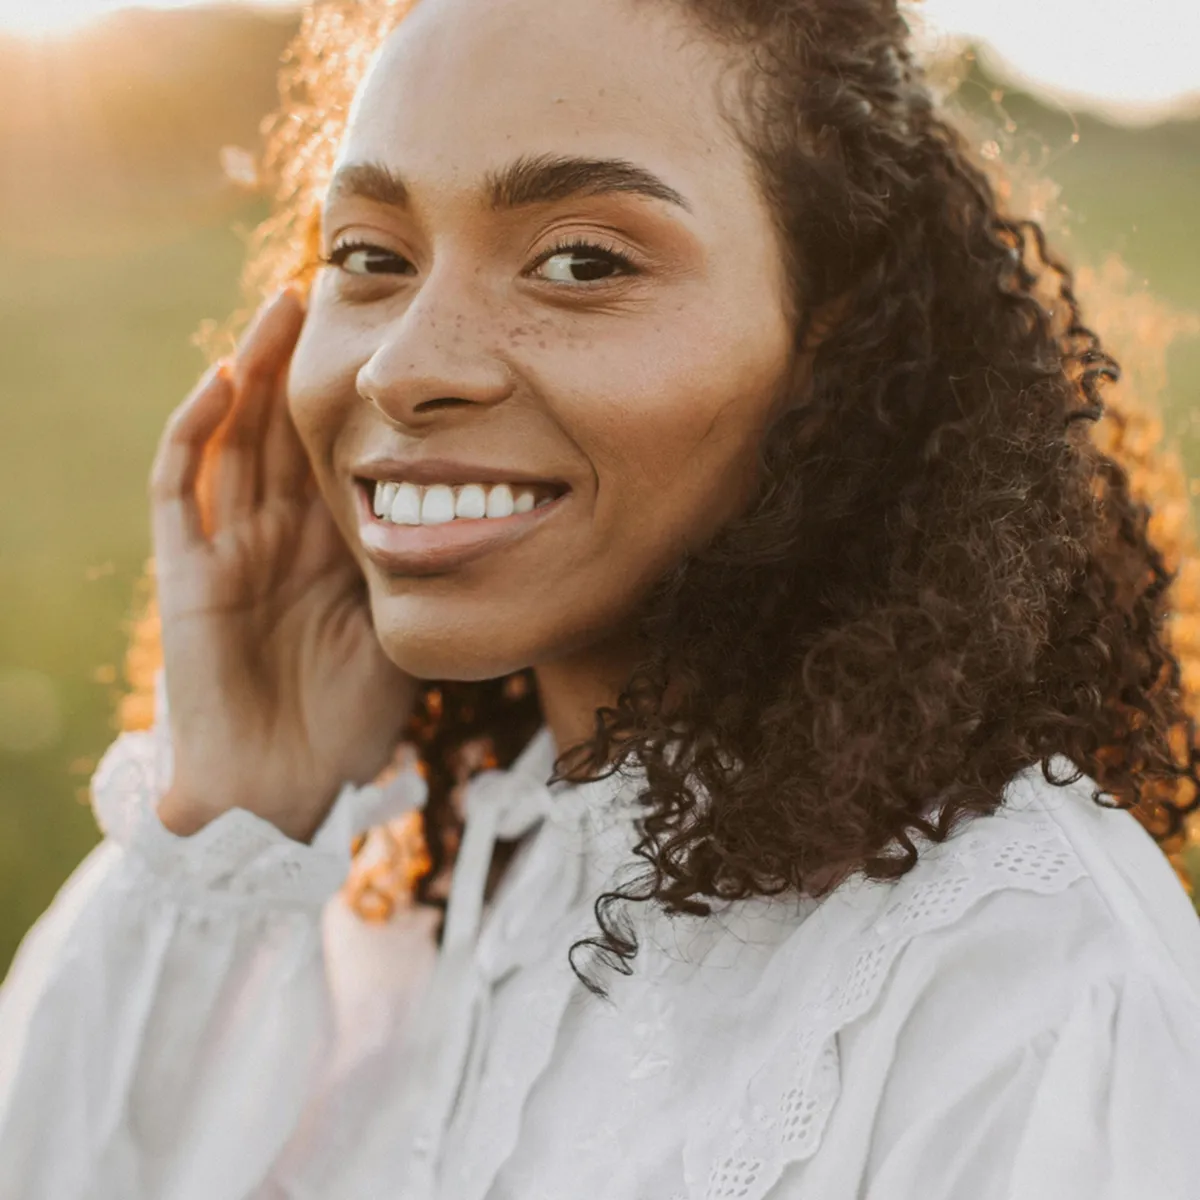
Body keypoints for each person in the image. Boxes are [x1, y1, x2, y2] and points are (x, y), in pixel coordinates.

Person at [2, 0, 1200, 1195]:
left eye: (582, 261)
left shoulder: (1023, 987)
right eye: (371, 256)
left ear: (843, 344)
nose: (403, 364)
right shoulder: (373, 879)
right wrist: (235, 811)